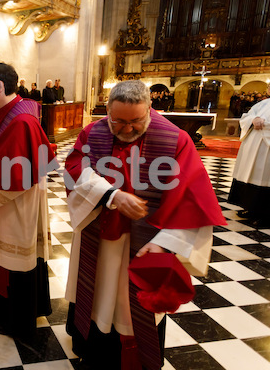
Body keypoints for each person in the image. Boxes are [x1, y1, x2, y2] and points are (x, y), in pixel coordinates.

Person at [63, 80, 226, 369]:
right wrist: (110, 194)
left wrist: (164, 242)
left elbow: (193, 199)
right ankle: (94, 356)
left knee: (130, 309)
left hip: (145, 244)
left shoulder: (174, 140)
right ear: (107, 112)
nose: (126, 129)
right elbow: (75, 168)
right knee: (96, 297)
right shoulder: (93, 132)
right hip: (99, 238)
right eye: (118, 121)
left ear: (150, 109)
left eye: (136, 121)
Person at [0, 63, 55, 341]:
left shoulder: (20, 121)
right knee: (15, 257)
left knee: (15, 257)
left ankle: (17, 320)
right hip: (16, 198)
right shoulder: (12, 112)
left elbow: (16, 177)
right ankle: (21, 308)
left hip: (18, 201)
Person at [228, 91, 270, 228]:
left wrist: (265, 124)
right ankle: (250, 208)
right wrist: (252, 120)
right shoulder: (263, 103)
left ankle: (264, 215)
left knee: (264, 178)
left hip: (266, 149)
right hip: (252, 146)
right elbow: (246, 116)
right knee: (249, 176)